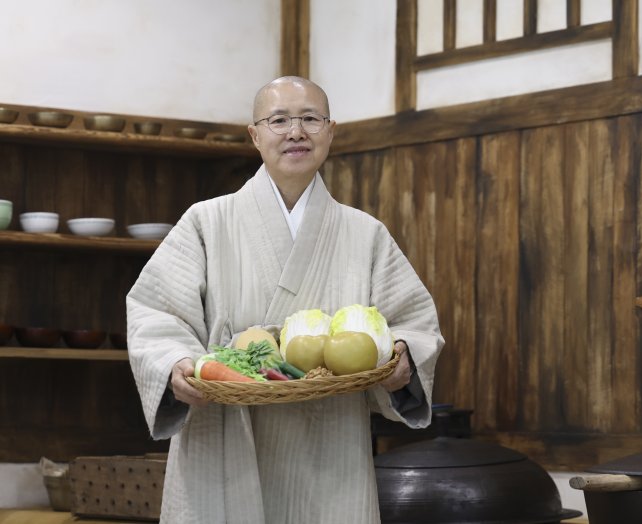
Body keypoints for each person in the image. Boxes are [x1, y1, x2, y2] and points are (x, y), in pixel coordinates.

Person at [126, 76, 444, 524]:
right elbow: (154, 310)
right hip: (226, 434)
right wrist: (173, 363)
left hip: (328, 440)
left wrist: (404, 358)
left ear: (331, 131)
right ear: (255, 135)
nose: (296, 132)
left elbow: (412, 322)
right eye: (279, 120)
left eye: (310, 119)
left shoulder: (365, 233)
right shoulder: (205, 221)